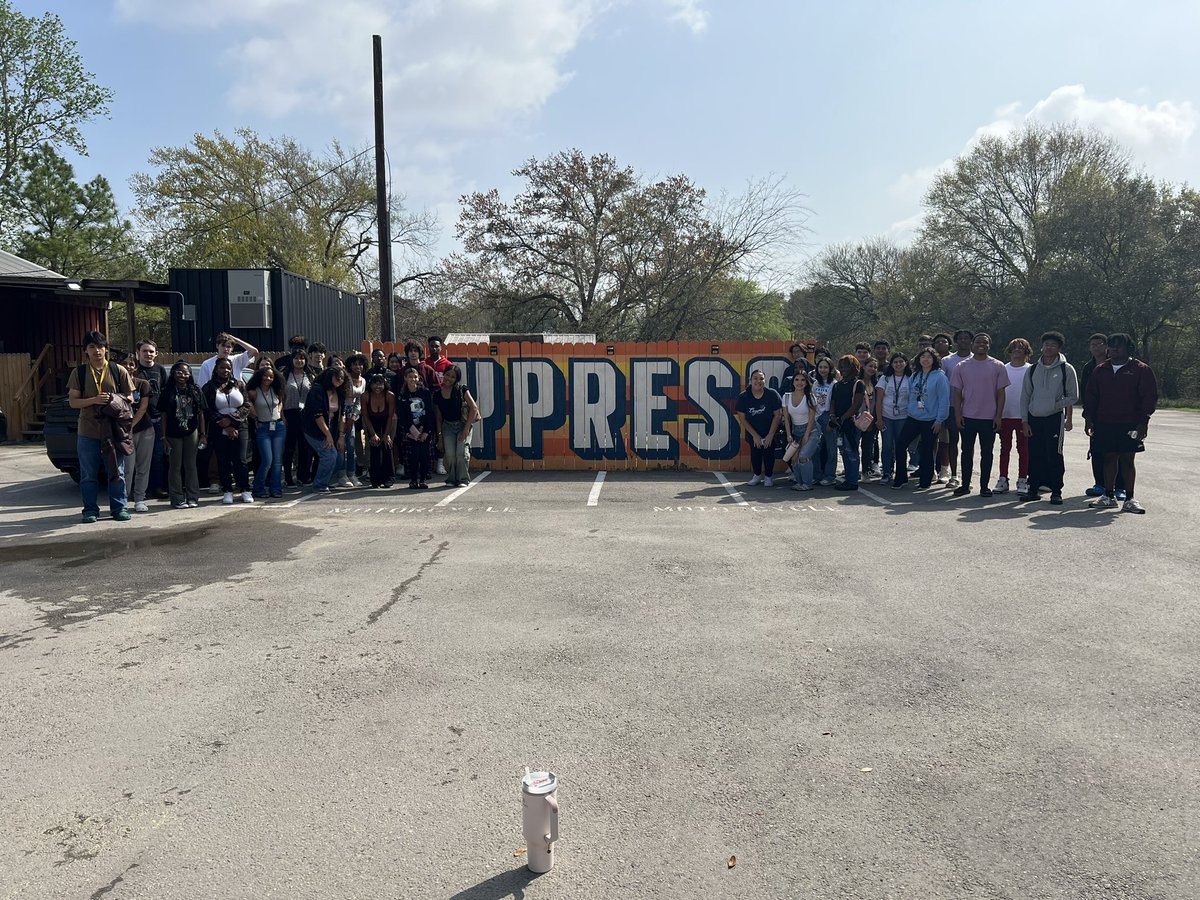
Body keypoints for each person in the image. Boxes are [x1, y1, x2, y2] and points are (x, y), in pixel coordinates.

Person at [1084, 334, 1158, 514]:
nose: (1115, 349)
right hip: (1104, 422)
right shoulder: (1100, 370)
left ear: (1128, 348)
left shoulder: (1141, 369)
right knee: (1108, 458)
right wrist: (1089, 419)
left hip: (1130, 423)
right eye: (1112, 346)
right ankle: (1108, 496)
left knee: (1127, 459)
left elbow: (1149, 397)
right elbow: (1091, 396)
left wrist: (1143, 422)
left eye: (1119, 346)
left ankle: (1130, 498)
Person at [66, 331, 135, 523]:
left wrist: (114, 399)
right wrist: (94, 400)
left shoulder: (117, 370)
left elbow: (131, 397)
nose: (97, 351)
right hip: (88, 431)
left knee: (117, 471)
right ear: (86, 351)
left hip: (113, 431)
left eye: (100, 347)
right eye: (92, 347)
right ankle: (90, 510)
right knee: (88, 474)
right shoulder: (79, 372)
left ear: (106, 349)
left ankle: (119, 508)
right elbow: (73, 402)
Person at [1019, 331, 1079, 505]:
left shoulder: (1066, 369)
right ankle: (1033, 489)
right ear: (1042, 347)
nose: (1049, 348)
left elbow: (1073, 396)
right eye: (1046, 344)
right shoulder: (1032, 369)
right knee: (1035, 455)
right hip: (1033, 418)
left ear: (1059, 348)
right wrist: (1024, 420)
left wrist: (1054, 405)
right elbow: (1025, 397)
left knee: (1054, 454)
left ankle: (1056, 491)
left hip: (1054, 418)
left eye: (1053, 345)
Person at [949, 333, 1007, 497]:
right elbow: (957, 393)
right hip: (968, 416)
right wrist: (958, 415)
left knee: (987, 453)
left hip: (989, 417)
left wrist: (998, 416)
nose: (981, 344)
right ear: (973, 345)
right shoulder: (962, 366)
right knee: (966, 452)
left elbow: (1001, 393)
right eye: (978, 342)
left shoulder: (997, 365)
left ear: (989, 345)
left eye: (985, 342)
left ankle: (984, 487)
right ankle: (965, 485)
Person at [892, 348, 950, 490]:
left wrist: (939, 420)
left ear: (934, 359)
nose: (925, 359)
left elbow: (944, 400)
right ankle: (901, 477)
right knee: (900, 445)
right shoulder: (915, 375)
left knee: (927, 450)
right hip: (913, 417)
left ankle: (926, 480)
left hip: (931, 419)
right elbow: (912, 395)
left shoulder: (940, 377)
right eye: (923, 356)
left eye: (929, 357)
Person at [1078, 332, 1125, 499]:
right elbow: (1085, 393)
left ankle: (1119, 487)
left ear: (1107, 347)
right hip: (1096, 416)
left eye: (1099, 344)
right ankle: (1099, 484)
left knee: (1117, 452)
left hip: (1117, 416)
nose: (1096, 347)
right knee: (1097, 450)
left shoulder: (1117, 364)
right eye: (1093, 344)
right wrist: (1088, 417)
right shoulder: (1088, 367)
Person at [203, 358, 253, 505]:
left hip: (240, 426)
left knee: (240, 459)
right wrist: (224, 424)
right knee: (223, 460)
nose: (225, 370)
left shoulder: (239, 384)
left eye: (228, 368)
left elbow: (247, 405)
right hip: (219, 427)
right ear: (216, 369)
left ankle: (245, 489)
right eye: (222, 368)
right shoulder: (209, 387)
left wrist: (232, 422)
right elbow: (206, 409)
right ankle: (227, 491)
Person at [158, 361, 207, 509]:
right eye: (179, 372)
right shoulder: (167, 391)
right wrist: (164, 437)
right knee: (175, 466)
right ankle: (177, 498)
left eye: (186, 372)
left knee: (191, 465)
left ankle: (193, 497)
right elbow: (163, 416)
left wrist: (203, 434)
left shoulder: (196, 390)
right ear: (173, 373)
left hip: (192, 431)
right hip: (173, 434)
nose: (182, 375)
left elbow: (201, 414)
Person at [301, 368, 348, 494]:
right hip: (314, 429)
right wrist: (328, 435)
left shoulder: (340, 392)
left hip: (331, 428)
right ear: (329, 376)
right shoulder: (318, 390)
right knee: (329, 455)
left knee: (338, 457)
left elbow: (342, 415)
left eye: (342, 378)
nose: (340, 380)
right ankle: (319, 485)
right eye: (337, 376)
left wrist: (341, 436)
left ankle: (324, 481)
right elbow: (318, 415)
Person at [734, 369, 783, 487]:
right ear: (750, 380)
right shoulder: (744, 396)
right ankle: (756, 475)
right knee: (755, 452)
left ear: (765, 380)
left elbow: (778, 414)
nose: (758, 381)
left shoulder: (772, 394)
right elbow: (742, 418)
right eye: (755, 378)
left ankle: (769, 477)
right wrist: (755, 435)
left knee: (768, 452)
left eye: (761, 378)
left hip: (770, 430)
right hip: (753, 431)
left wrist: (770, 434)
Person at [133, 339, 170, 499]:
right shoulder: (134, 371)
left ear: (156, 354)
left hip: (156, 420)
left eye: (151, 351)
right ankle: (136, 490)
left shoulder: (160, 370)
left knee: (157, 457)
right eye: (144, 351)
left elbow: (165, 393)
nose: (148, 354)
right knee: (135, 459)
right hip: (137, 421)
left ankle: (157, 487)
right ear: (138, 353)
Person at [434, 364, 480, 487]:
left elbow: (474, 408)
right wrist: (439, 437)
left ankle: (463, 479)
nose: (449, 378)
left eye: (453, 377)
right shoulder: (437, 394)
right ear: (444, 375)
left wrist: (466, 429)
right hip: (447, 426)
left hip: (462, 425)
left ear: (456, 379)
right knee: (449, 454)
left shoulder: (462, 390)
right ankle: (451, 479)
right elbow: (438, 418)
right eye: (447, 375)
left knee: (461, 453)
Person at [997, 338, 1033, 494]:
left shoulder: (1031, 369)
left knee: (1023, 449)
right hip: (1005, 415)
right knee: (1004, 449)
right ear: (1010, 351)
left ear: (1027, 351)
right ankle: (1003, 479)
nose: (1017, 350)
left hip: (1023, 416)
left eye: (1021, 348)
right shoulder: (1003, 369)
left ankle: (1023, 479)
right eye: (1014, 348)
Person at [246, 363, 286, 498]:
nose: (268, 379)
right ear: (260, 376)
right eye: (265, 376)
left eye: (271, 376)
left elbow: (280, 402)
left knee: (277, 461)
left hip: (278, 426)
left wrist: (279, 412)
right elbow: (246, 404)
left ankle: (276, 488)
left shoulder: (276, 390)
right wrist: (254, 414)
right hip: (263, 428)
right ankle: (258, 488)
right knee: (267, 460)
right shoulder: (253, 391)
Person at [939, 330, 973, 488]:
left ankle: (967, 477)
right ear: (956, 341)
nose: (964, 341)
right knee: (952, 441)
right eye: (961, 338)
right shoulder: (947, 360)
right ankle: (953, 475)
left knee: (968, 445)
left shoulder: (977, 359)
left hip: (972, 408)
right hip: (952, 407)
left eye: (967, 338)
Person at [828, 355, 866, 491]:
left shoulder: (858, 384)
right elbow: (832, 401)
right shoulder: (837, 385)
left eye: (847, 366)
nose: (843, 369)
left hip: (851, 423)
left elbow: (856, 404)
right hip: (839, 423)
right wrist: (833, 416)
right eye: (842, 366)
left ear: (854, 368)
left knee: (852, 451)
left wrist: (843, 418)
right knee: (843, 451)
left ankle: (852, 481)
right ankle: (848, 478)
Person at [122, 353, 154, 512]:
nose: (128, 367)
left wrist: (131, 426)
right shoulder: (115, 384)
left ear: (135, 367)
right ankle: (123, 499)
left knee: (143, 466)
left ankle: (140, 499)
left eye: (131, 364)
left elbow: (142, 408)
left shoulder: (142, 384)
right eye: (125, 364)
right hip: (122, 432)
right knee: (127, 468)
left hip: (143, 429)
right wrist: (125, 429)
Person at [875, 352, 910, 486]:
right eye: (895, 362)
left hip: (904, 417)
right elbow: (878, 400)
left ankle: (900, 473)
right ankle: (887, 472)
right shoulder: (885, 378)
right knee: (887, 446)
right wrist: (879, 419)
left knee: (900, 446)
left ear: (905, 363)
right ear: (891, 364)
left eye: (901, 361)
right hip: (887, 416)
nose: (898, 364)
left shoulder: (910, 378)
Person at [397, 366, 434, 489]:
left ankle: (423, 479)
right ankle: (413, 479)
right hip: (410, 431)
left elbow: (429, 412)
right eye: (410, 377)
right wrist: (411, 431)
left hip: (424, 430)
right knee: (413, 456)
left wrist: (426, 431)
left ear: (419, 378)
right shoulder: (402, 395)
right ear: (405, 378)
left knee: (424, 456)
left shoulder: (425, 392)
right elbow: (402, 416)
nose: (413, 379)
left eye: (415, 377)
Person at [782, 369, 819, 491]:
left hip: (811, 430)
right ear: (792, 382)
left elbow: (812, 419)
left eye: (803, 380)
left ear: (807, 382)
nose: (800, 382)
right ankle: (799, 482)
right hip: (796, 432)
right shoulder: (786, 397)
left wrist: (806, 435)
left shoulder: (810, 397)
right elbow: (786, 418)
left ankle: (807, 484)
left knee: (803, 456)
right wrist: (788, 435)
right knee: (794, 459)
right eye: (797, 379)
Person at [281, 349, 315, 487]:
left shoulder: (311, 375)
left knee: (305, 447)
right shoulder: (285, 374)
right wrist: (282, 415)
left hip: (306, 414)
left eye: (302, 358)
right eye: (296, 358)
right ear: (292, 360)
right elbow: (279, 397)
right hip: (290, 413)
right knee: (289, 447)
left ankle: (304, 476)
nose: (299, 361)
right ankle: (288, 477)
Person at [362, 373, 397, 488]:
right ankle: (375, 479)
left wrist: (386, 434)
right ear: (370, 385)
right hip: (371, 422)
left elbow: (390, 416)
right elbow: (365, 417)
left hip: (387, 421)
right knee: (374, 447)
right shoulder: (365, 396)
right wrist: (373, 434)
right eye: (374, 384)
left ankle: (389, 478)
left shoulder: (390, 395)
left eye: (380, 384)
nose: (377, 387)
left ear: (384, 384)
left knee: (387, 446)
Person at [342, 353, 368, 487]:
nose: (358, 367)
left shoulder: (363, 381)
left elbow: (359, 400)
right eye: (355, 364)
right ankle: (341, 475)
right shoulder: (345, 379)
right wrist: (344, 417)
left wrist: (353, 416)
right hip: (341, 412)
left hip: (354, 413)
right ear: (350, 366)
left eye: (360, 364)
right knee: (341, 446)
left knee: (351, 446)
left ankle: (352, 474)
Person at [811, 357, 838, 486]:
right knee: (815, 448)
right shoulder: (815, 383)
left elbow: (834, 402)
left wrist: (831, 419)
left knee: (830, 448)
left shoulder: (834, 383)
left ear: (830, 369)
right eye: (820, 367)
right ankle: (817, 474)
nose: (823, 369)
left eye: (826, 367)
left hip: (827, 416)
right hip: (816, 416)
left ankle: (830, 475)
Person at [858, 357, 881, 478]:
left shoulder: (877, 384)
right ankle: (852, 469)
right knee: (853, 446)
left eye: (875, 367)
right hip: (856, 419)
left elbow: (878, 403)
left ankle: (866, 470)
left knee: (867, 446)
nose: (872, 369)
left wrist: (874, 420)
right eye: (870, 366)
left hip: (870, 420)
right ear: (864, 367)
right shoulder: (857, 382)